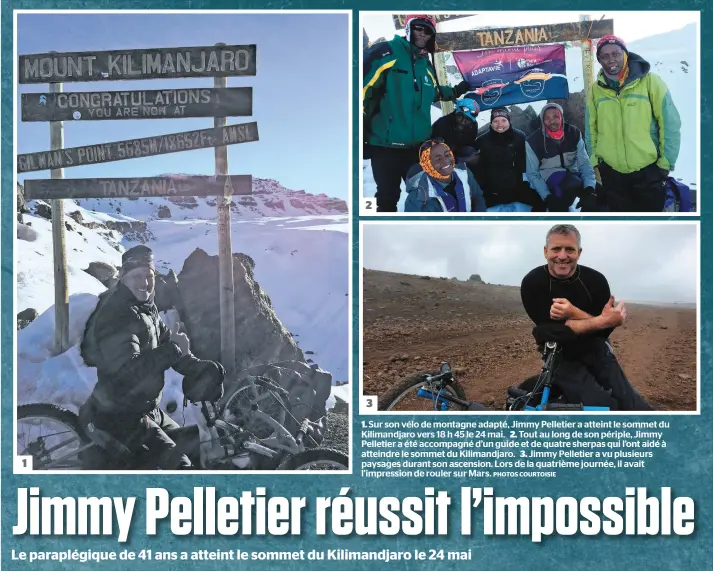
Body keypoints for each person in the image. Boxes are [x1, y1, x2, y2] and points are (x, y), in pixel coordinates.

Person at [79, 245, 226, 469]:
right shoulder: (117, 314)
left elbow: (168, 346)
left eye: (149, 275)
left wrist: (198, 368)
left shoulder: (147, 308)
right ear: (123, 277)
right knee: (181, 468)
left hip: (145, 409)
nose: (145, 283)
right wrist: (174, 349)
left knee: (195, 443)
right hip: (120, 416)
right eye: (137, 276)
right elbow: (128, 371)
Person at [520, 224, 653, 411]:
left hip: (596, 347)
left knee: (631, 403)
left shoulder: (596, 281)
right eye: (556, 249)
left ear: (579, 252)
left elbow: (604, 331)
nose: (562, 256)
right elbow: (549, 332)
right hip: (558, 354)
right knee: (602, 405)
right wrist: (601, 320)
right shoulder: (533, 282)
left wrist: (574, 313)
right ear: (545, 251)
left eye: (570, 250)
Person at [363, 14, 472, 212]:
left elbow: (434, 92)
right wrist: (359, 130)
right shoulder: (386, 52)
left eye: (428, 31)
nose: (423, 34)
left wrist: (456, 91)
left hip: (418, 148)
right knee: (386, 198)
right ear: (408, 29)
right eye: (418, 28)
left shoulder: (425, 64)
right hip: (386, 146)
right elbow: (361, 90)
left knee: (424, 194)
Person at [585, 35, 681, 212]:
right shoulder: (595, 90)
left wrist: (664, 165)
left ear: (625, 54)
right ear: (599, 60)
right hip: (612, 174)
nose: (611, 60)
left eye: (616, 53)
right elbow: (590, 128)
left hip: (648, 171)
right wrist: (596, 162)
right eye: (604, 56)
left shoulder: (650, 82)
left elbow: (670, 124)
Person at [525, 103, 599, 212]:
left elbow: (584, 164)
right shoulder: (533, 141)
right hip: (550, 176)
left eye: (555, 116)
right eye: (547, 118)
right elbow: (532, 173)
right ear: (542, 121)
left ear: (561, 117)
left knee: (598, 193)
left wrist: (589, 188)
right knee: (570, 186)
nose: (552, 121)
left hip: (573, 173)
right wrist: (547, 196)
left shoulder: (574, 133)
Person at [473, 107, 545, 212]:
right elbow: (478, 169)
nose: (500, 124)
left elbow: (528, 162)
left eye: (503, 120)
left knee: (543, 202)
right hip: (492, 192)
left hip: (517, 189)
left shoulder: (520, 136)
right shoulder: (482, 141)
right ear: (491, 123)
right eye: (495, 121)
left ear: (509, 121)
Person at [404, 139, 486, 213]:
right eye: (438, 159)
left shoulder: (464, 173)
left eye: (447, 155)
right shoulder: (418, 193)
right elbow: (413, 224)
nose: (446, 160)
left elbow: (477, 197)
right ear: (427, 165)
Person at [430, 98, 480, 174]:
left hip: (457, 153)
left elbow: (470, 144)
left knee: (471, 152)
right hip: (440, 157)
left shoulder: (473, 126)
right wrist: (464, 160)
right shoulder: (442, 124)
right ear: (455, 113)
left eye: (468, 119)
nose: (463, 122)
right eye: (461, 116)